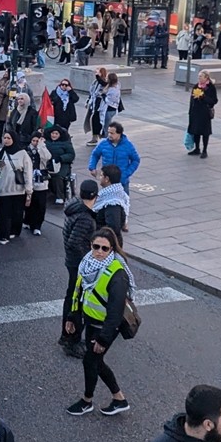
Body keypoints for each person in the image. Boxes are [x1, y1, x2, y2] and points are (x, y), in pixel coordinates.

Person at [64, 228, 131, 417]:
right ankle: (119, 399)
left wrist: (103, 339)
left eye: (105, 248)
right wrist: (72, 316)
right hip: (91, 322)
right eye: (96, 247)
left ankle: (87, 401)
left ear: (112, 250)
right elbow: (79, 291)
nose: (99, 252)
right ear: (90, 245)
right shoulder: (87, 263)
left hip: (104, 327)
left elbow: (116, 312)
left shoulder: (117, 274)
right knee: (95, 361)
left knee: (90, 361)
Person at [59, 180, 99, 358]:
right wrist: (90, 258)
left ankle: (68, 336)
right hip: (79, 264)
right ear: (94, 196)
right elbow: (75, 242)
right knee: (77, 302)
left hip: (72, 261)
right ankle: (71, 339)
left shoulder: (74, 207)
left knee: (72, 297)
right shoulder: (84, 217)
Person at [0, 127, 34, 244]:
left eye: (8, 138)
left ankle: (14, 231)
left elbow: (28, 172)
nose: (6, 140)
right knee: (3, 214)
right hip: (3, 189)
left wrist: (29, 190)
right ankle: (3, 235)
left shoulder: (23, 154)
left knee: (17, 213)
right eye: (4, 138)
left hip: (18, 189)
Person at [88, 121, 140, 193]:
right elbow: (95, 155)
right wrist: (92, 167)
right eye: (108, 132)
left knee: (122, 202)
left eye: (112, 133)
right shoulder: (103, 143)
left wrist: (126, 173)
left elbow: (135, 160)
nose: (109, 135)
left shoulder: (128, 145)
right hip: (107, 180)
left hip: (121, 181)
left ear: (119, 133)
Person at [186, 71, 218, 159]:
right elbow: (191, 100)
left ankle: (205, 150)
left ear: (206, 78)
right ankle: (197, 148)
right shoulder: (196, 86)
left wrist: (203, 97)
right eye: (198, 76)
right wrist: (190, 111)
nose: (199, 78)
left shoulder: (211, 87)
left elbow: (214, 100)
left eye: (201, 77)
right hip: (195, 112)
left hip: (205, 113)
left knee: (205, 132)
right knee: (196, 131)